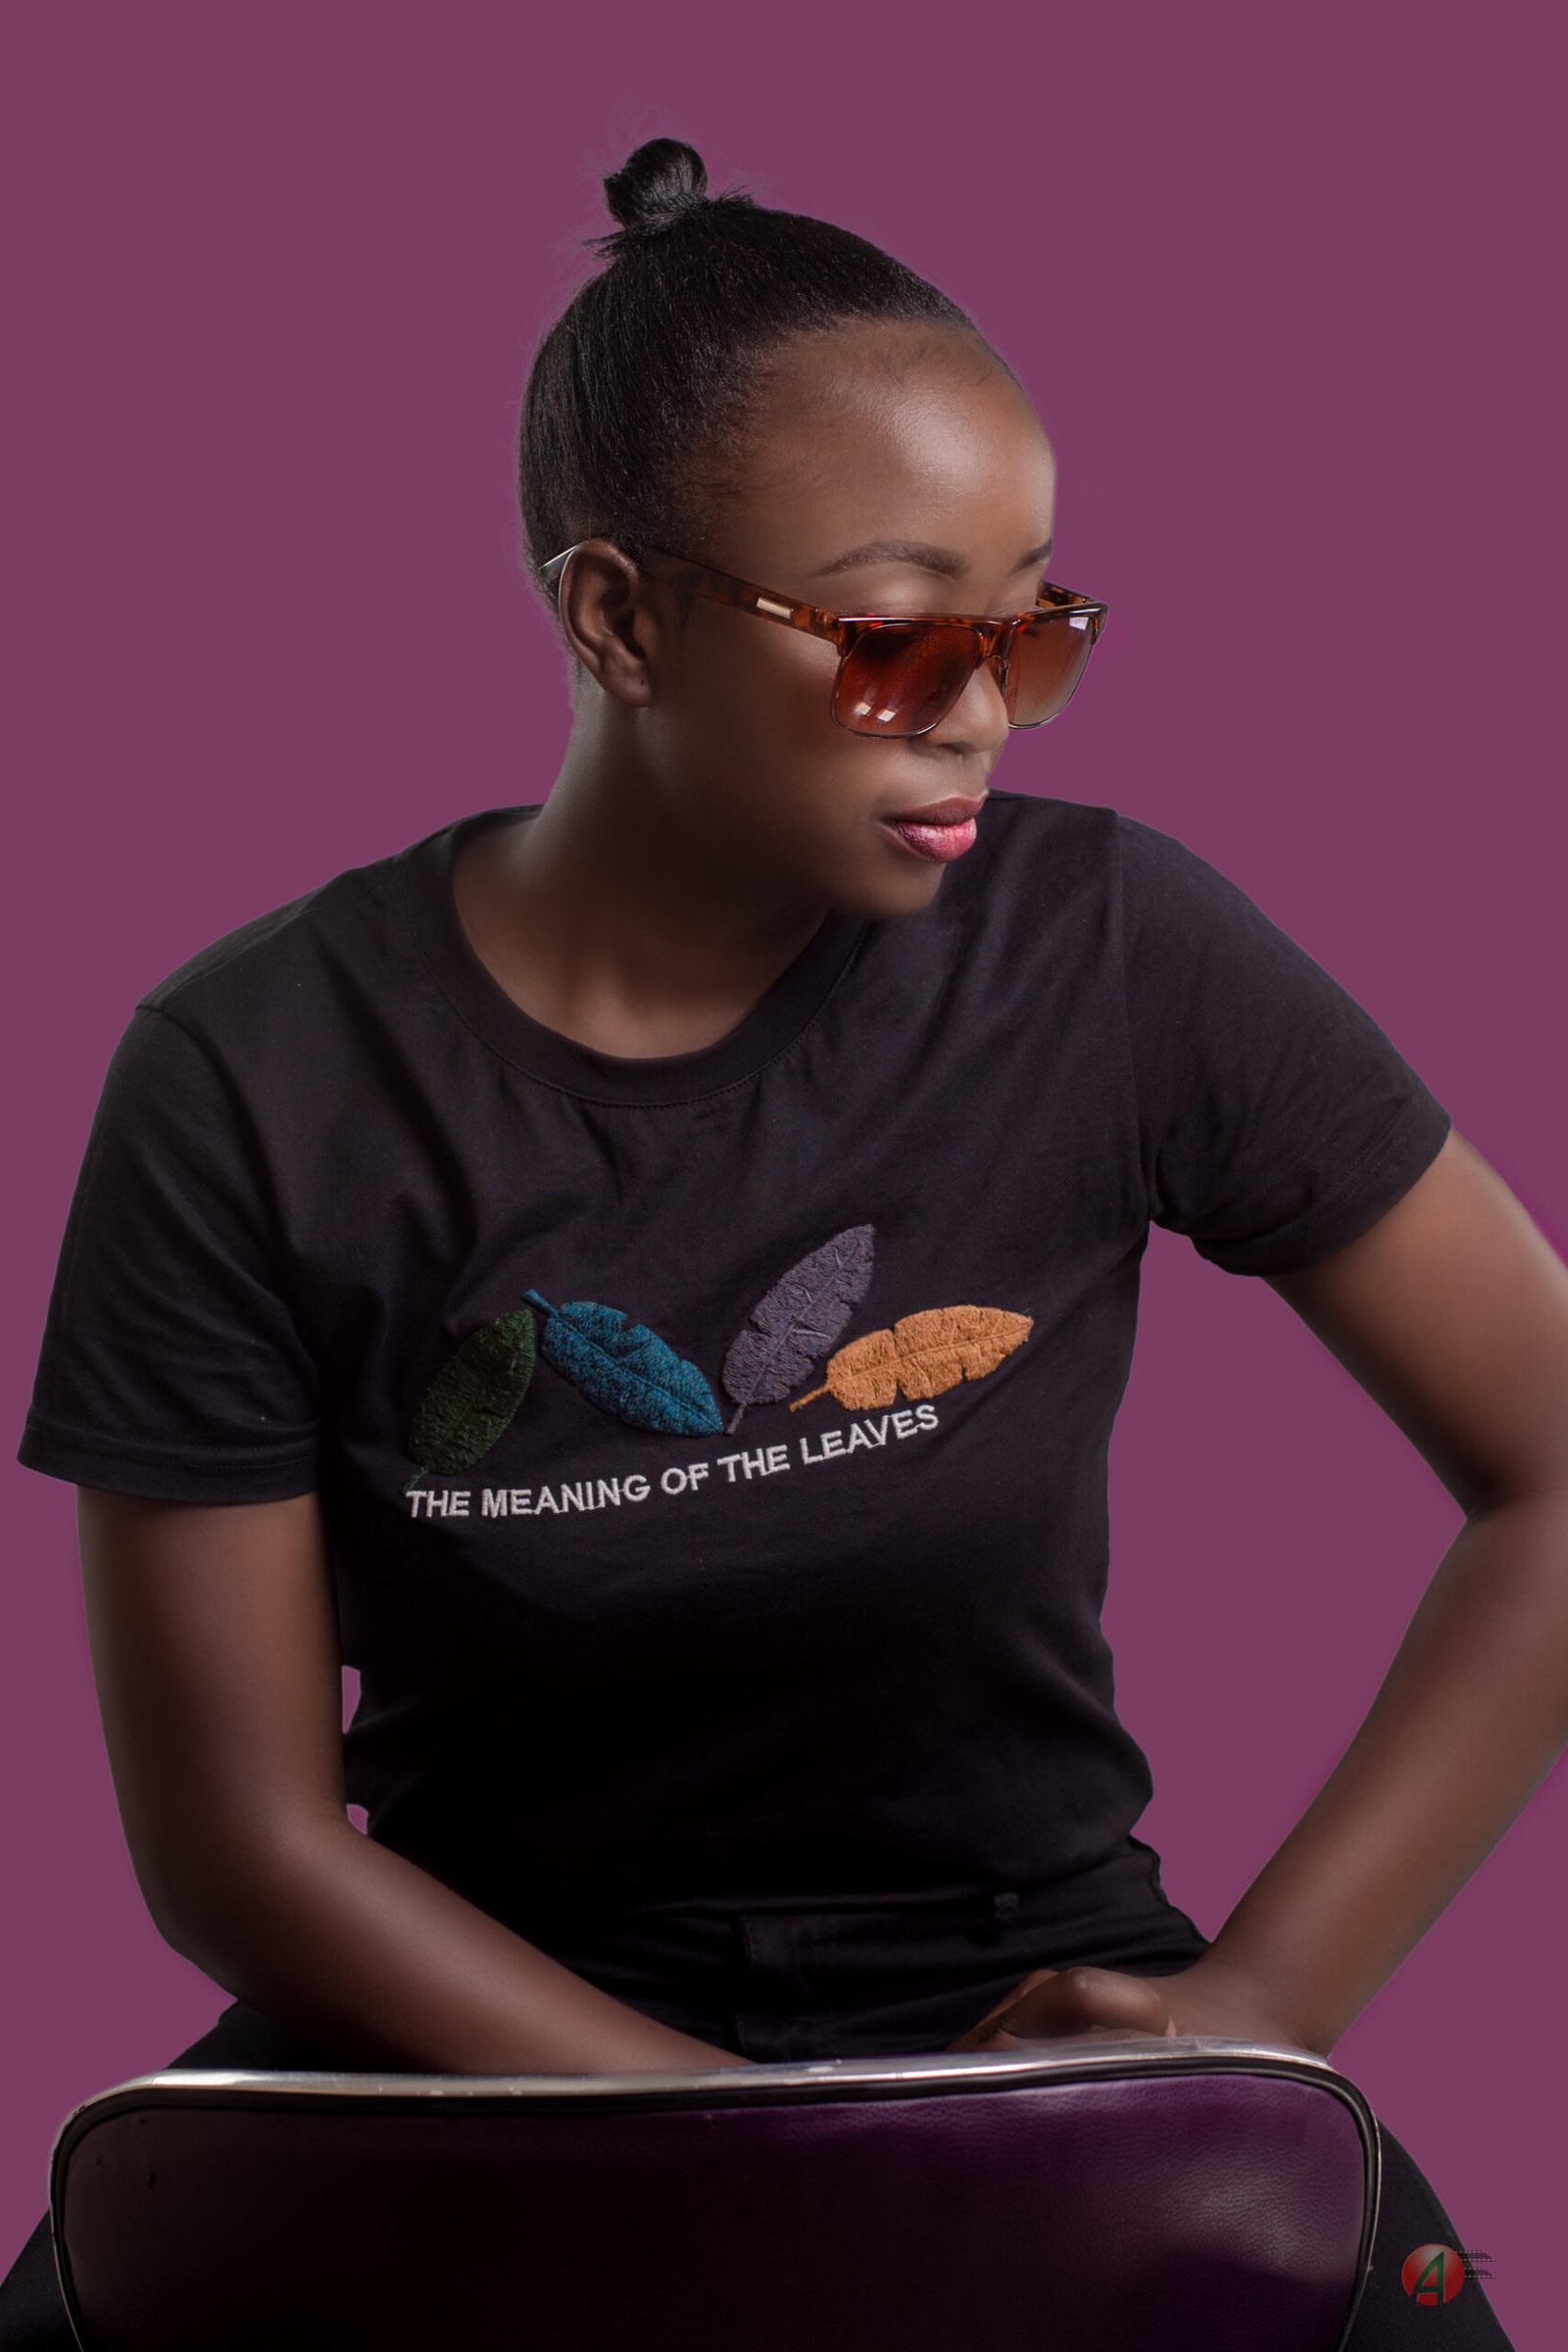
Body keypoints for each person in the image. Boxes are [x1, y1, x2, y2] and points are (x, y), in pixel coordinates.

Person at [3, 133, 1557, 2348]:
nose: (981, 706)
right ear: (617, 618)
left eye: (1028, 623)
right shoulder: (250, 1074)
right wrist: (727, 2159)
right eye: (893, 631)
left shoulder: (1113, 954)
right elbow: (238, 1845)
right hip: (462, 2053)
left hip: (1025, 2024)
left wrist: (1268, 2003)